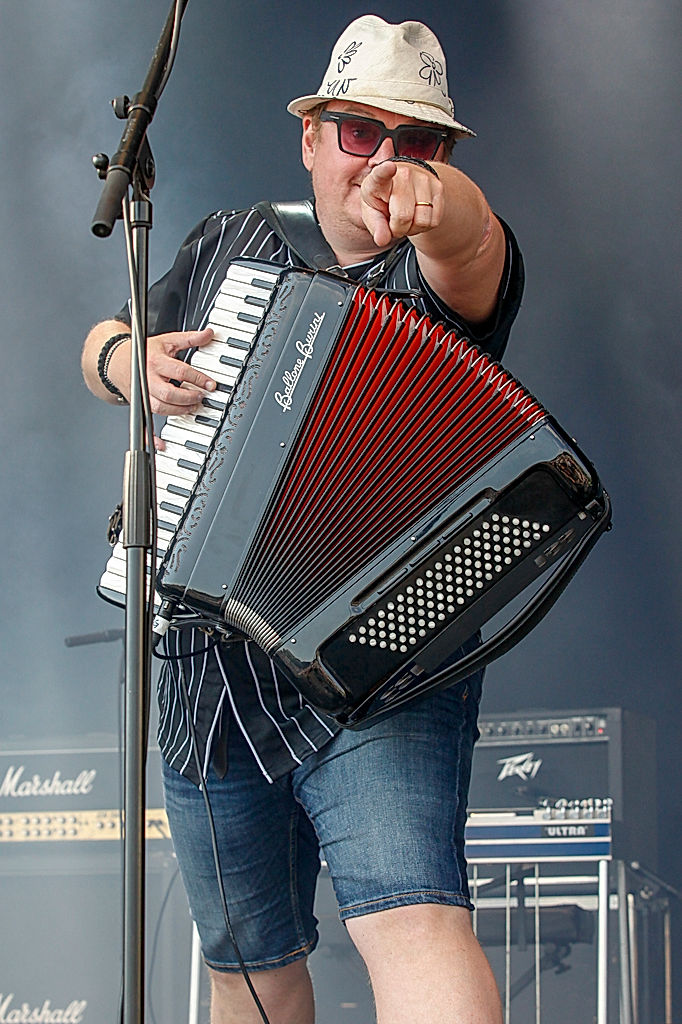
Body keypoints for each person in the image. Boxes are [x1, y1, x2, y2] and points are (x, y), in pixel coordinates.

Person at [82, 15, 524, 1024]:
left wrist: (443, 200)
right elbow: (104, 342)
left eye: (420, 140)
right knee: (248, 967)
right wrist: (124, 361)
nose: (388, 160)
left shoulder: (440, 270)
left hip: (380, 664)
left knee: (411, 921)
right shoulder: (225, 241)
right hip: (210, 672)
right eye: (361, 133)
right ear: (311, 139)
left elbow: (472, 242)